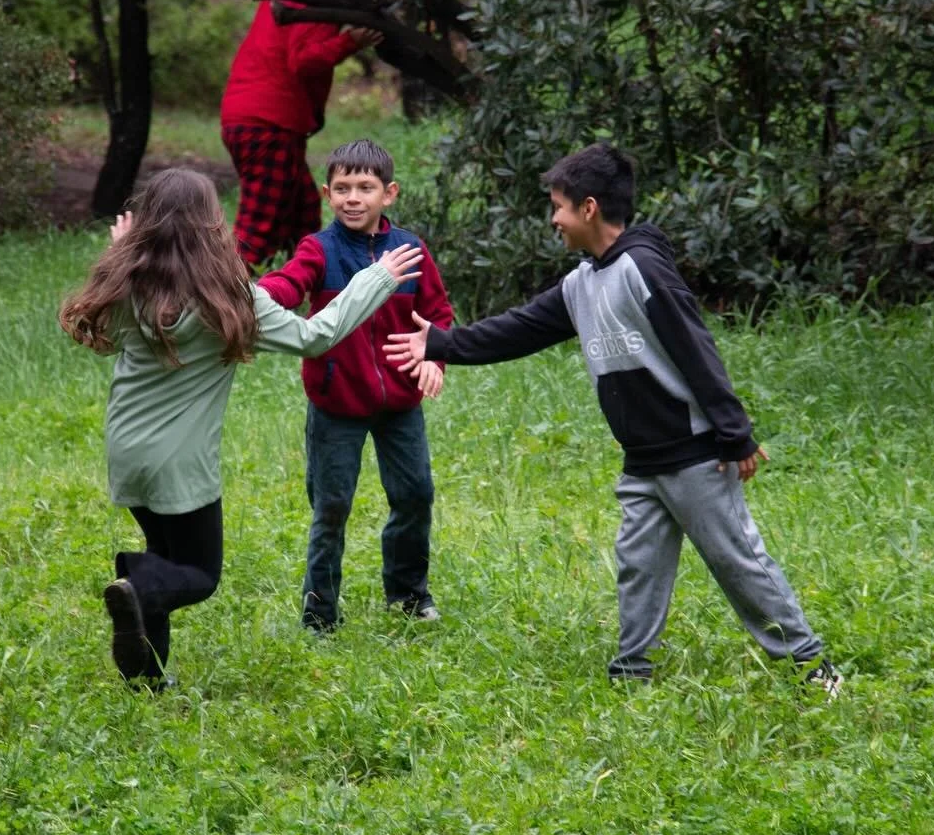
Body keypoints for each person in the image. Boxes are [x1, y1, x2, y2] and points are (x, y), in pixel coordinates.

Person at [383, 144, 842, 695]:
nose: (553, 219)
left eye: (558, 207)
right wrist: (442, 343)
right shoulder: (582, 283)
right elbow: (519, 329)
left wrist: (735, 434)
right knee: (638, 565)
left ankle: (813, 667)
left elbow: (696, 349)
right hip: (643, 460)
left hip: (694, 454)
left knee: (738, 562)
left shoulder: (642, 269)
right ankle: (632, 672)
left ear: (589, 208)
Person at [58, 168, 423, 686]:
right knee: (198, 573)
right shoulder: (230, 298)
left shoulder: (129, 286)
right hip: (181, 462)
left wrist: (120, 255)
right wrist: (375, 278)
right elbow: (315, 336)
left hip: (126, 451)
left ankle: (146, 676)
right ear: (211, 223)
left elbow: (110, 337)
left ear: (148, 223)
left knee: (163, 555)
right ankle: (136, 589)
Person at [258, 139, 455, 631]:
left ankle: (409, 596)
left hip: (400, 403)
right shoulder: (318, 249)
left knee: (415, 495)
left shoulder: (410, 250)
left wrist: (435, 358)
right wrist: (257, 295)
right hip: (336, 404)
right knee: (331, 506)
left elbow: (437, 312)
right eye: (342, 188)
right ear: (327, 194)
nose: (353, 198)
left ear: (389, 193)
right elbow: (289, 283)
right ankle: (320, 613)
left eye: (365, 188)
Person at [220, 0, 382, 266]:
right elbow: (304, 61)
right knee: (257, 230)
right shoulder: (316, 1)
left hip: (254, 119)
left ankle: (304, 286)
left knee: (302, 214)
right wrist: (349, 42)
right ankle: (217, 292)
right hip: (267, 124)